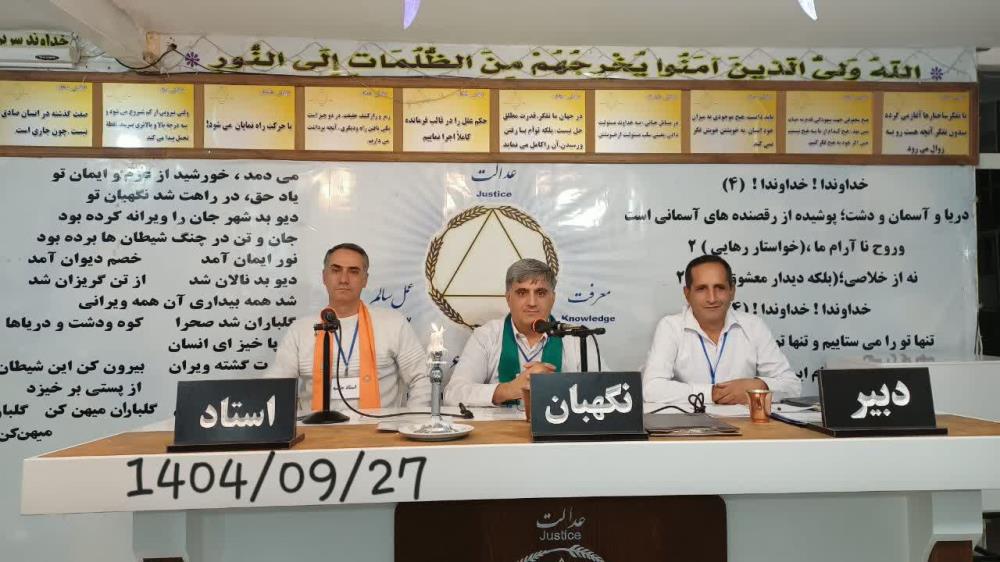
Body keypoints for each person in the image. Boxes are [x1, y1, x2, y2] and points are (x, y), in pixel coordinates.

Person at [265, 243, 431, 412]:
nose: (344, 279)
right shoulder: (300, 330)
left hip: (380, 427)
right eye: (336, 270)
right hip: (316, 427)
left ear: (365, 279)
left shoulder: (393, 323)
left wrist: (412, 420)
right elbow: (274, 387)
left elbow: (422, 378)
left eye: (353, 271)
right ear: (324, 277)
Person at [641, 255, 801, 406]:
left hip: (745, 424)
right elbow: (651, 389)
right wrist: (712, 393)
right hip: (688, 424)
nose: (712, 298)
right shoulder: (670, 327)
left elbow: (792, 386)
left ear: (732, 291)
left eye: (720, 288)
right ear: (687, 294)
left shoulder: (754, 326)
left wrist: (760, 386)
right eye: (702, 289)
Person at [444, 258, 600, 407]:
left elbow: (603, 392)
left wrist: (559, 387)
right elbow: (453, 393)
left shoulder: (576, 337)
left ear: (552, 298)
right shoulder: (486, 336)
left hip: (559, 423)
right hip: (499, 426)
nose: (532, 303)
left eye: (540, 293)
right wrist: (508, 390)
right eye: (522, 293)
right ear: (508, 298)